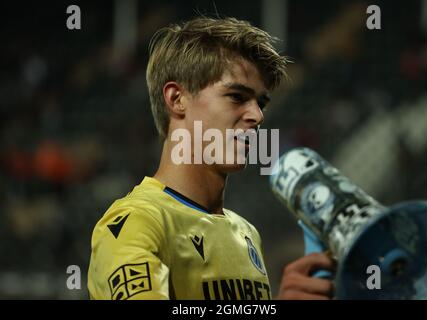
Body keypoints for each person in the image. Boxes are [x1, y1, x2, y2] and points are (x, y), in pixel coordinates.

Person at [87, 16, 335, 300]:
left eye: (261, 102)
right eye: (236, 97)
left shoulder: (246, 233)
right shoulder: (136, 222)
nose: (257, 116)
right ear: (177, 98)